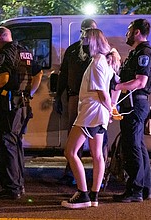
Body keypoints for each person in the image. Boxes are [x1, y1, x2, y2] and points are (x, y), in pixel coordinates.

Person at [0, 27, 43, 200]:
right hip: (22, 105)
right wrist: (29, 92)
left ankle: (11, 188)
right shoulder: (25, 51)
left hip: (9, 106)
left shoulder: (5, 53)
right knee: (16, 145)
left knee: (6, 145)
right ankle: (18, 185)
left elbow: (3, 79)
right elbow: (38, 73)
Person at [61, 28, 121, 209]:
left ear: (92, 41)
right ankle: (94, 195)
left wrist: (108, 108)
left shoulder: (96, 63)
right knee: (97, 155)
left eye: (84, 38)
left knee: (70, 152)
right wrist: (110, 109)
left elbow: (102, 92)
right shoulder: (106, 62)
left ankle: (83, 194)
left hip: (90, 113)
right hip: (98, 114)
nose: (82, 41)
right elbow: (114, 88)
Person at [55, 19, 98, 186]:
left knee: (98, 139)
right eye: (85, 31)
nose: (87, 34)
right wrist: (58, 96)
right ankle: (71, 172)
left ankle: (98, 177)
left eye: (91, 30)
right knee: (73, 137)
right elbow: (63, 74)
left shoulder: (101, 50)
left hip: (94, 100)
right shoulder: (73, 50)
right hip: (75, 97)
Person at [113, 18, 151, 203]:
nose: (126, 34)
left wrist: (117, 86)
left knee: (132, 146)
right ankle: (144, 188)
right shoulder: (136, 52)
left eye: (129, 31)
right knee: (139, 146)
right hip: (133, 104)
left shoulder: (143, 53)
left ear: (136, 32)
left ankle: (135, 190)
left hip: (135, 104)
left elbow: (140, 82)